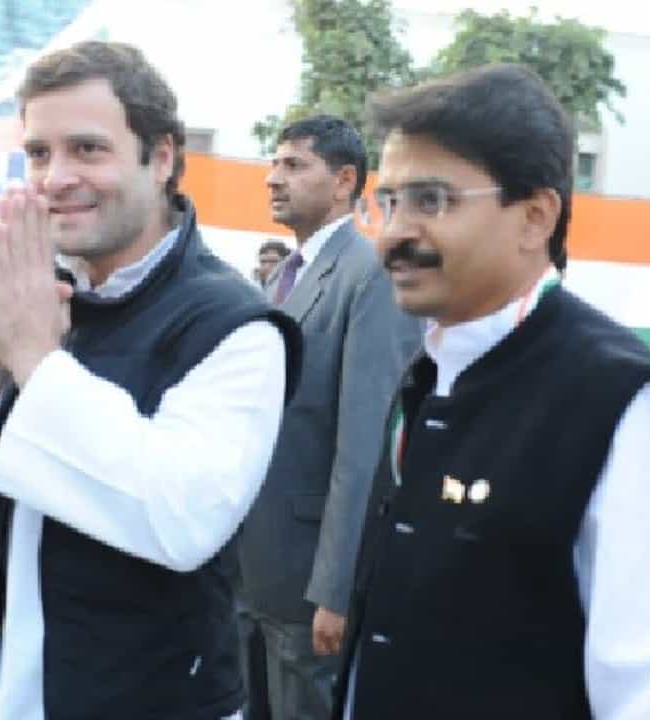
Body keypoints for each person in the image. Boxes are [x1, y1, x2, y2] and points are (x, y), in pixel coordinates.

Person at [0, 41, 301, 719]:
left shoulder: (237, 324)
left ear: (161, 157)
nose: (56, 178)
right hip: (10, 689)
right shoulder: (51, 288)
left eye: (87, 149)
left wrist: (33, 358)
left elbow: (180, 520)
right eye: (38, 153)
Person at [331, 64, 650, 719]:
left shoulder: (625, 408)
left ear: (536, 217)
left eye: (431, 200)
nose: (394, 233)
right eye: (389, 202)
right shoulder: (432, 370)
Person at [237, 116, 420, 719]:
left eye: (294, 165)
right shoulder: (281, 278)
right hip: (252, 571)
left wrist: (334, 592)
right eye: (274, 164)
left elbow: (363, 449)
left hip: (308, 586)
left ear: (344, 182)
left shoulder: (371, 276)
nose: (273, 178)